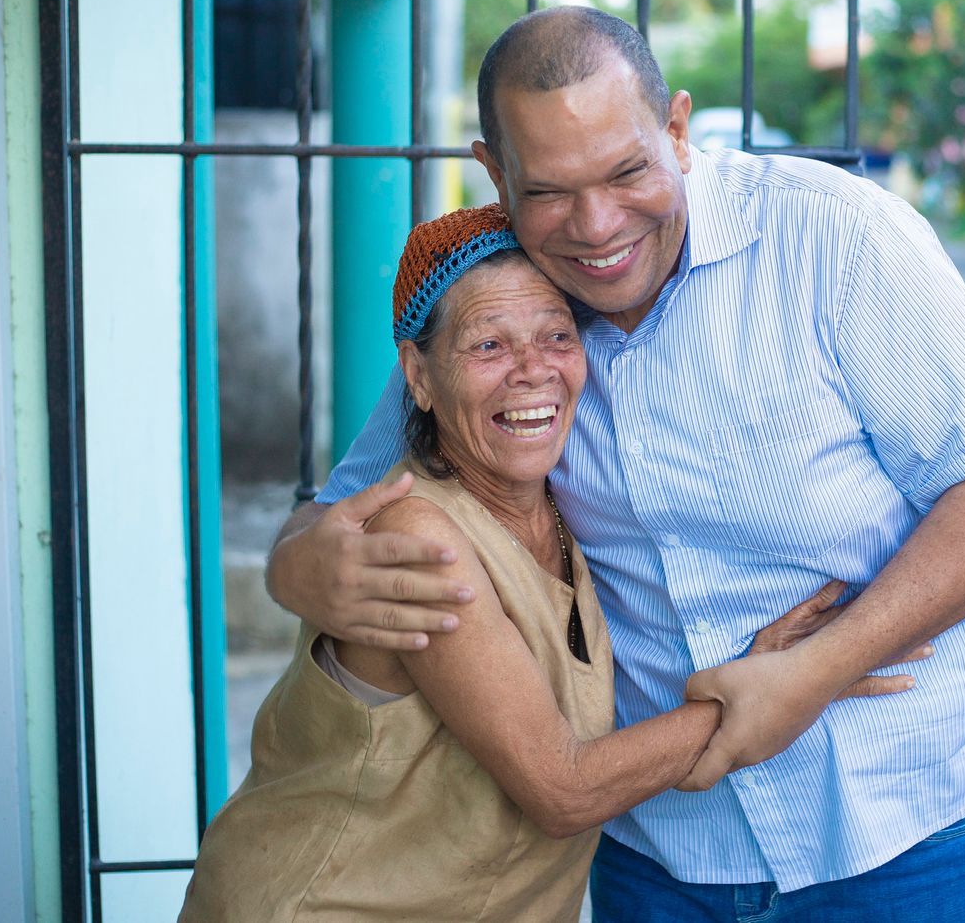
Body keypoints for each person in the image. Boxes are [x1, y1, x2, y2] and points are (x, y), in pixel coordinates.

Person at [267, 7, 965, 921]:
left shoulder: (833, 238)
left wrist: (816, 670)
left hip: (896, 813)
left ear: (678, 129)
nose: (596, 225)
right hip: (661, 846)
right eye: (547, 192)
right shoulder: (510, 310)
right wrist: (297, 564)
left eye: (627, 171)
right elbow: (342, 508)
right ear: (496, 175)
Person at [180, 206, 922, 922]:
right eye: (488, 346)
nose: (533, 371)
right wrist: (798, 679)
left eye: (557, 335)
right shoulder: (418, 538)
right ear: (418, 375)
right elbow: (561, 788)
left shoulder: (567, 508)